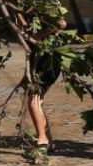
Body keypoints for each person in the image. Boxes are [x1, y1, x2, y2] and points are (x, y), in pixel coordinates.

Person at [26, 20, 67, 155]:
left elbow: (62, 23)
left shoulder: (43, 8)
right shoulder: (22, 10)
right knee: (37, 100)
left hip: (49, 59)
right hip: (37, 58)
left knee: (34, 99)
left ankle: (42, 138)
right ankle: (48, 139)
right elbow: (27, 36)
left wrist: (48, 30)